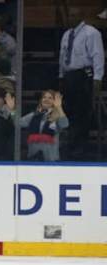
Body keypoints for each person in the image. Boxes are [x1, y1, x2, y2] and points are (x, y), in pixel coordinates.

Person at [59, 7, 104, 160]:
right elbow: (62, 56)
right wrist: (61, 76)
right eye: (69, 15)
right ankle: (70, 144)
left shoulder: (91, 33)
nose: (70, 18)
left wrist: (98, 78)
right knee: (69, 112)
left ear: (81, 15)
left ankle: (80, 147)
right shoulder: (66, 35)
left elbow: (97, 55)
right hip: (69, 76)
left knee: (82, 113)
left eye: (73, 15)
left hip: (83, 76)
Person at [20, 90, 69, 161]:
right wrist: (12, 110)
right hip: (33, 161)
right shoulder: (33, 115)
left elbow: (65, 124)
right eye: (44, 97)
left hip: (51, 161)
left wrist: (59, 107)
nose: (46, 99)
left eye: (50, 98)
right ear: (41, 100)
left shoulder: (57, 115)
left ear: (54, 101)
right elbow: (18, 123)